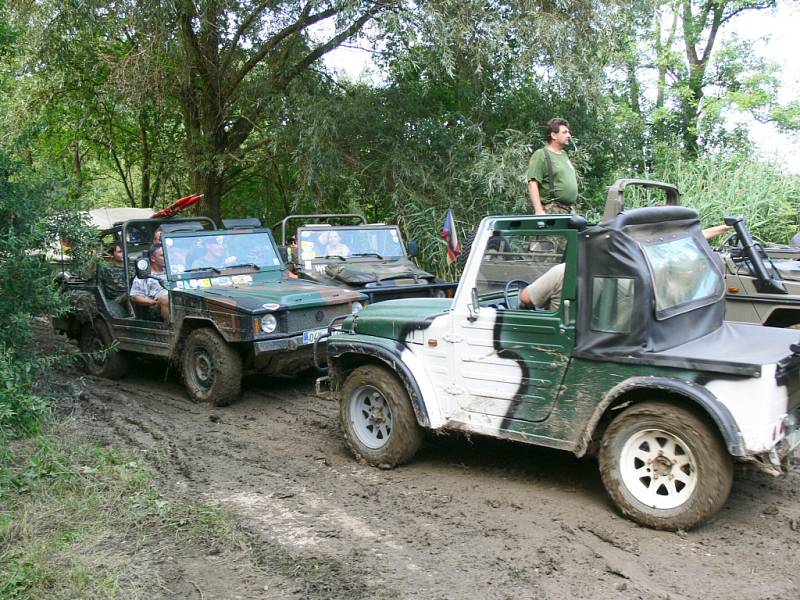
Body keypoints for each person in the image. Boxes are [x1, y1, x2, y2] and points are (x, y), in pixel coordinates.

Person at [526, 118, 578, 215]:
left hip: (569, 210)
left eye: (568, 132)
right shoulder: (541, 154)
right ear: (553, 135)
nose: (569, 135)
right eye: (565, 132)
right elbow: (532, 183)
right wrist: (538, 210)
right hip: (552, 210)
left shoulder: (564, 155)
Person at [130, 245, 169, 321]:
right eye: (162, 255)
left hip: (176, 299)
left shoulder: (172, 271)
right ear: (153, 258)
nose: (166, 257)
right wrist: (153, 302)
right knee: (166, 299)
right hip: (156, 305)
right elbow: (135, 297)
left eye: (166, 255)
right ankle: (171, 328)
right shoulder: (144, 276)